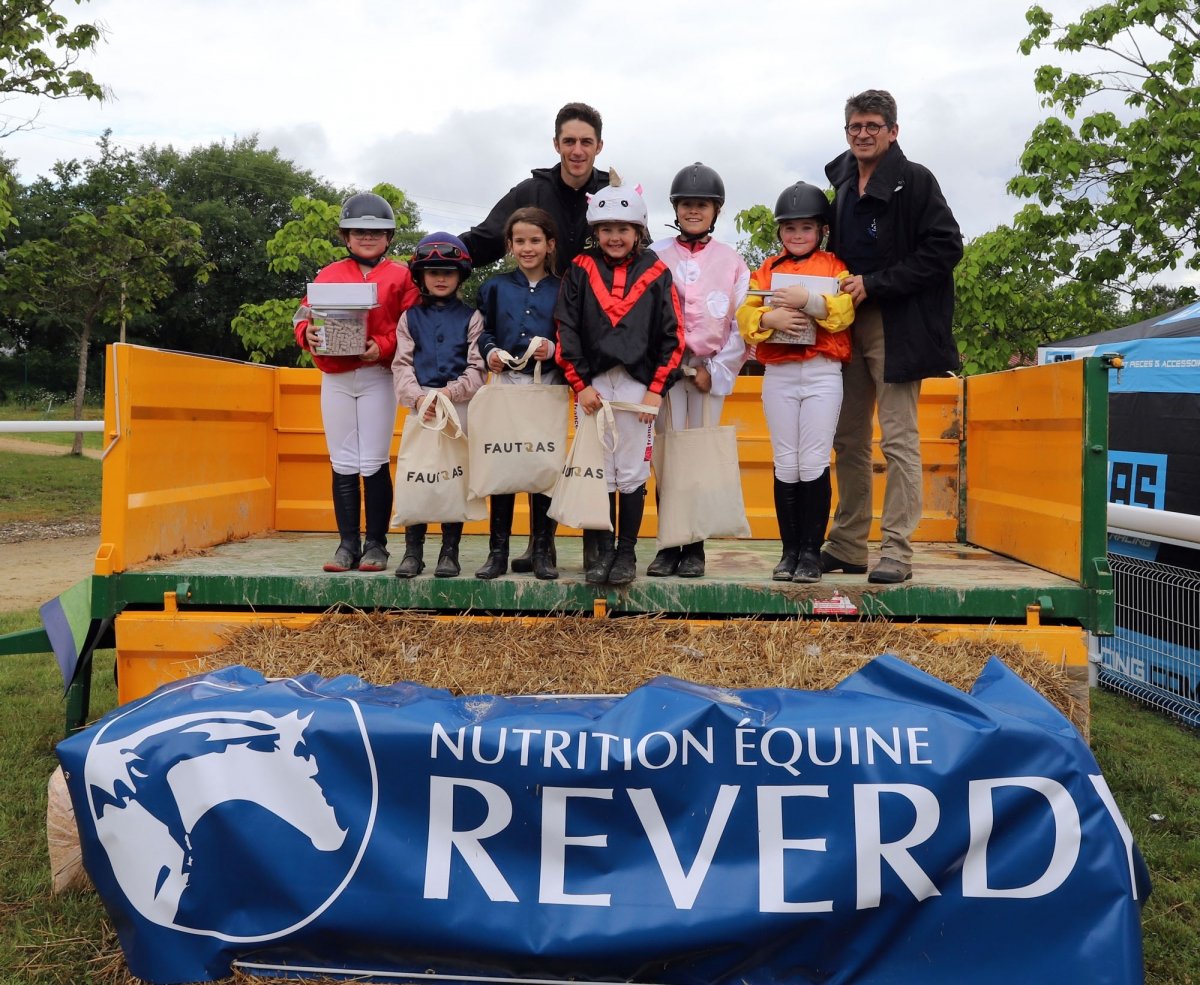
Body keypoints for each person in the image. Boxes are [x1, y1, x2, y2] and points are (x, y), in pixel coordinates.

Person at [821, 89, 963, 584]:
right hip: (847, 324)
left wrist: (877, 284)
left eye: (873, 126)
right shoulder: (841, 184)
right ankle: (847, 544)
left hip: (897, 325)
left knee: (898, 439)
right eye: (855, 126)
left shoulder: (916, 180)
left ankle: (897, 551)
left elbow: (946, 247)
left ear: (893, 131)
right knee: (848, 438)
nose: (863, 134)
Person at [462, 101, 610, 574]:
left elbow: (633, 247)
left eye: (586, 141)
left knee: (572, 449)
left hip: (592, 337)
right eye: (569, 141)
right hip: (530, 356)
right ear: (556, 144)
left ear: (599, 146)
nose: (577, 150)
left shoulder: (612, 193)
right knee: (518, 453)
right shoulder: (531, 192)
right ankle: (514, 549)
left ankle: (583, 547)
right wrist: (436, 257)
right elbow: (486, 237)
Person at [554, 181, 684, 586]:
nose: (615, 236)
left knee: (631, 471)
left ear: (638, 230)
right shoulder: (580, 268)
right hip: (593, 386)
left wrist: (656, 389)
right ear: (596, 231)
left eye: (623, 229)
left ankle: (626, 552)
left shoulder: (657, 271)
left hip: (637, 388)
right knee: (597, 470)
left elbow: (672, 335)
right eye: (607, 228)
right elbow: (566, 328)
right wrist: (580, 384)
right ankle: (603, 552)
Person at [294, 192, 420, 574]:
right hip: (335, 376)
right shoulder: (328, 274)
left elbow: (412, 326)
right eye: (359, 232)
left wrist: (382, 346)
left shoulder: (402, 275)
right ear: (346, 237)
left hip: (377, 375)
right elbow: (303, 314)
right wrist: (305, 334)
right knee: (343, 459)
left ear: (389, 237)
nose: (367, 238)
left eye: (376, 232)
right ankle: (347, 544)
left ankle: (376, 545)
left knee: (374, 459)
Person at [736, 182, 855, 582]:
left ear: (821, 230)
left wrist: (809, 302)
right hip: (780, 374)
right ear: (780, 231)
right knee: (786, 461)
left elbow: (844, 312)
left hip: (822, 371)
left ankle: (810, 552)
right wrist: (768, 319)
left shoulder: (835, 266)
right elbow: (745, 314)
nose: (798, 235)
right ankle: (789, 552)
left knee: (814, 460)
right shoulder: (767, 269)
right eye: (790, 228)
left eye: (806, 228)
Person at [646, 162, 749, 578]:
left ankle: (695, 548)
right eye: (686, 204)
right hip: (664, 373)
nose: (693, 211)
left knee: (699, 457)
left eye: (702, 205)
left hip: (706, 372)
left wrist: (717, 369)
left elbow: (741, 324)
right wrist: (657, 366)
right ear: (675, 208)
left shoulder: (732, 261)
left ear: (715, 211)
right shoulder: (655, 255)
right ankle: (668, 544)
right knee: (667, 457)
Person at [474, 206, 562, 582]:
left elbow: (572, 333)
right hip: (506, 384)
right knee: (504, 462)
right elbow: (482, 330)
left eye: (535, 240)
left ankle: (542, 550)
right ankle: (498, 552)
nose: (528, 248)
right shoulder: (494, 287)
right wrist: (490, 351)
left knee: (543, 464)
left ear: (550, 244)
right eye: (520, 241)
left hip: (547, 385)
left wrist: (554, 349)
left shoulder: (563, 288)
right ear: (510, 245)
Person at [391, 232, 486, 579]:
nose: (441, 278)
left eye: (448, 272)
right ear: (421, 276)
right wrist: (418, 398)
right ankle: (412, 551)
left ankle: (450, 551)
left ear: (461, 275)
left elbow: (477, 367)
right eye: (433, 272)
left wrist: (450, 393)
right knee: (416, 474)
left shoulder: (472, 317)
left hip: (457, 407)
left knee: (453, 477)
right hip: (421, 407)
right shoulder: (409, 318)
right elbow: (401, 364)